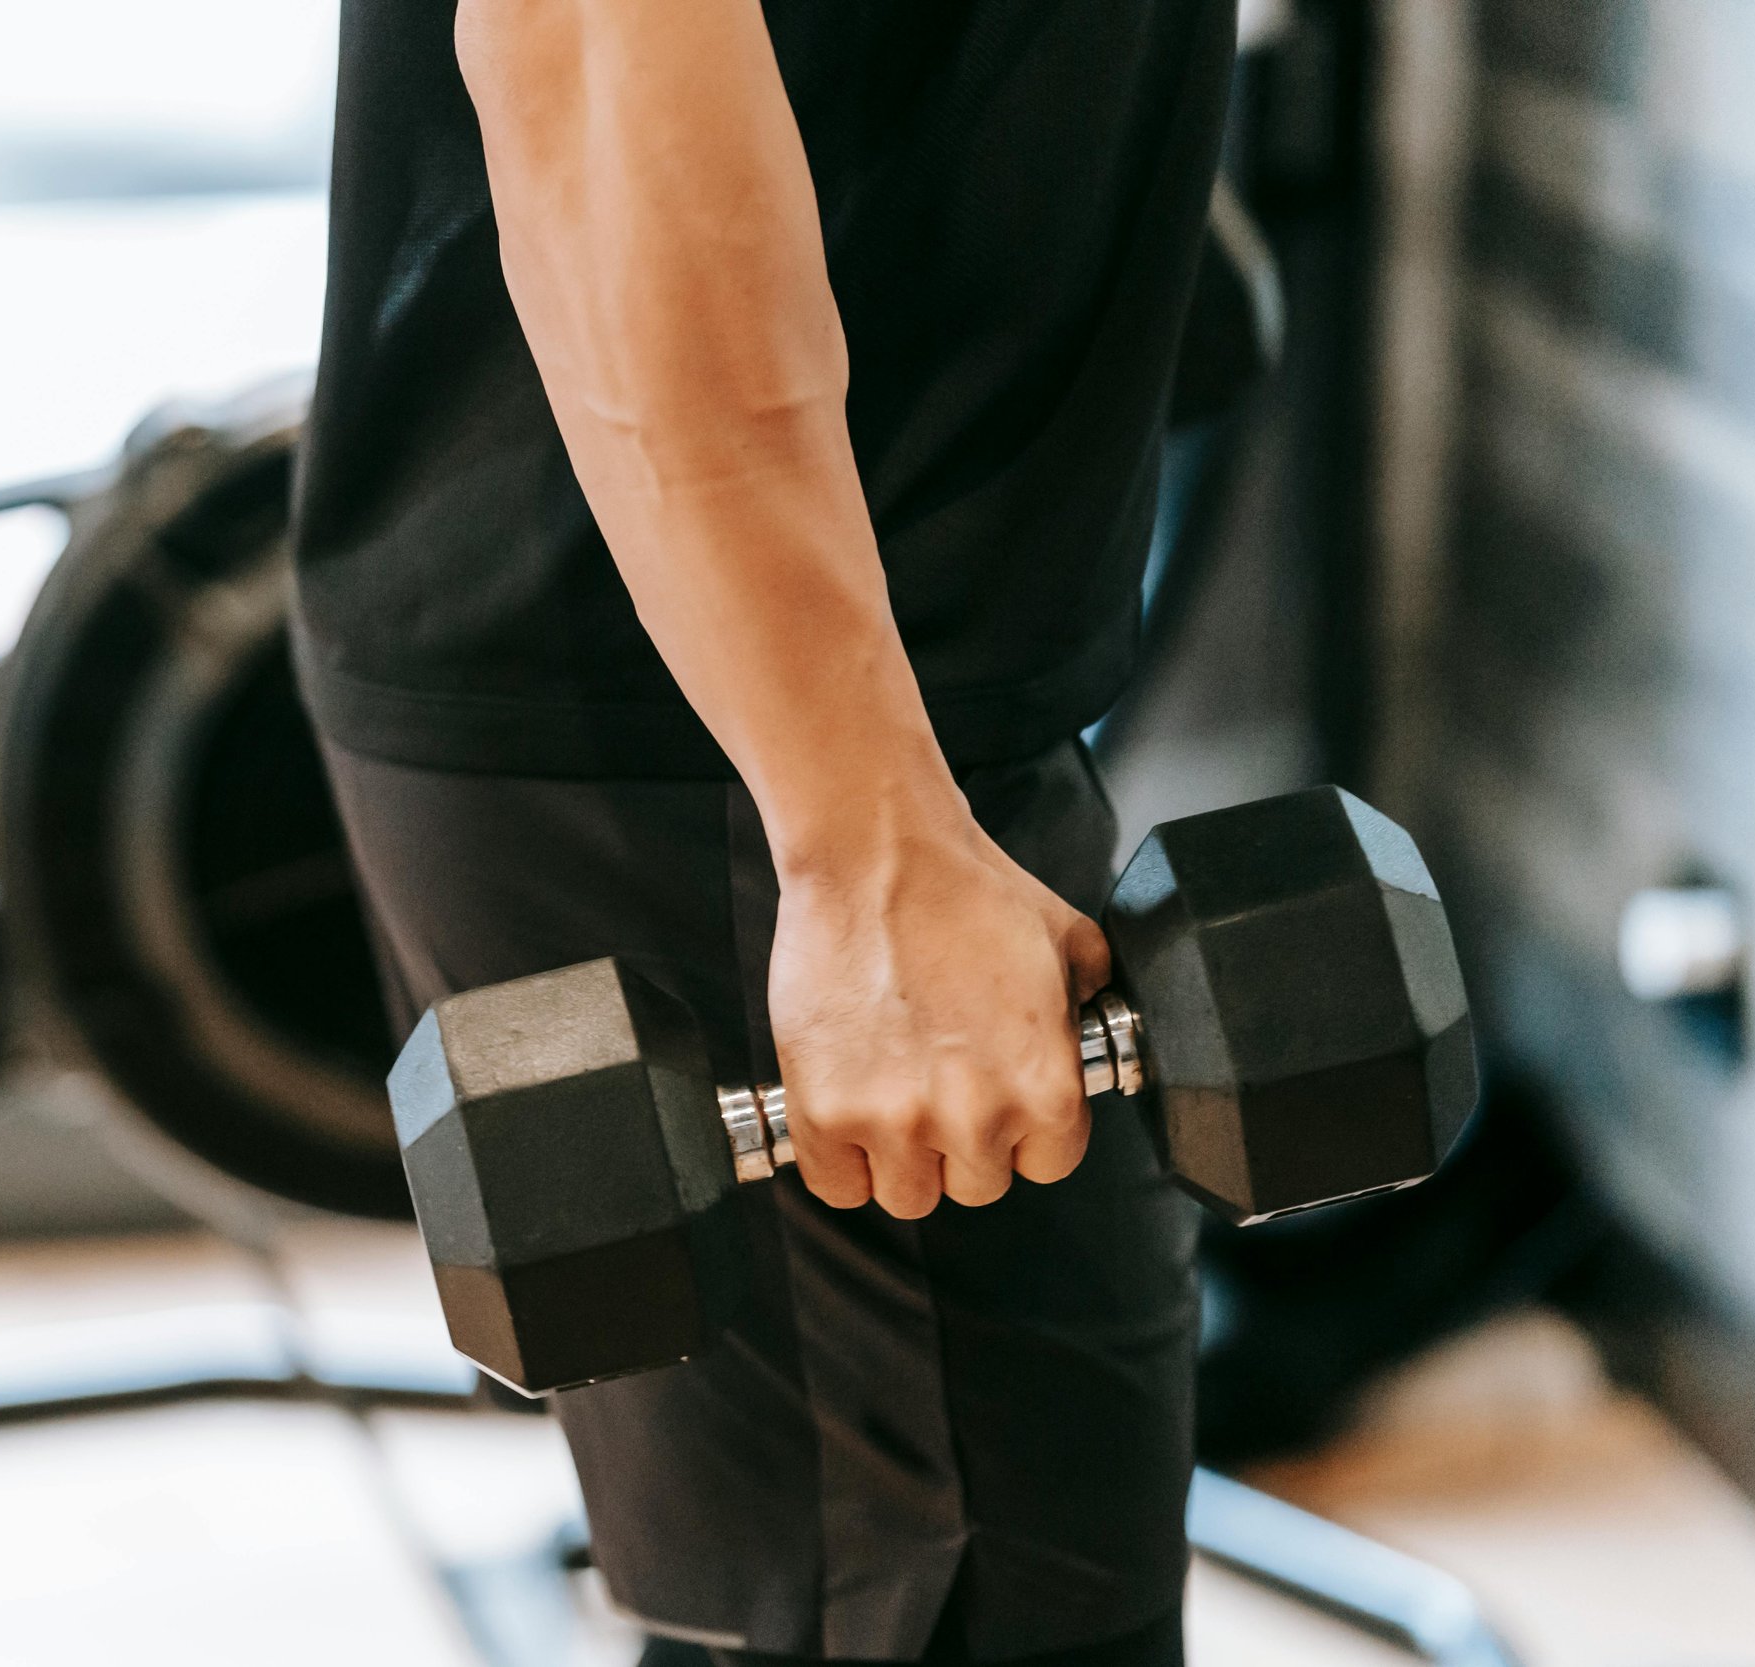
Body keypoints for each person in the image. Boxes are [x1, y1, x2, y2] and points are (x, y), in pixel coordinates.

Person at [292, 3, 1235, 1662]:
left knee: (899, 1588)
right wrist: (860, 845)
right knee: (978, 1598)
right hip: (729, 732)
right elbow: (587, 54)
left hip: (840, 689)